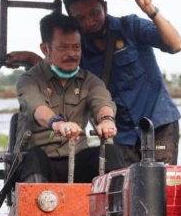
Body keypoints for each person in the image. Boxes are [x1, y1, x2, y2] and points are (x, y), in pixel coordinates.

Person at [7, 0, 181, 166]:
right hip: (121, 130)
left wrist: (150, 10)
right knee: (127, 185)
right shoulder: (77, 49)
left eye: (94, 13)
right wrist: (29, 57)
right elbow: (56, 66)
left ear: (105, 7)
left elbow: (176, 45)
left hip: (156, 122)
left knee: (161, 182)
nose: (90, 22)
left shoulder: (130, 27)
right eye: (80, 18)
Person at [14, 12, 124, 183]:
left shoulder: (90, 81)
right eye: (63, 48)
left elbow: (101, 100)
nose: (71, 54)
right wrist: (57, 124)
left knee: (111, 152)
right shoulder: (29, 80)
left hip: (76, 158)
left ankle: (115, 208)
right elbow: (36, 106)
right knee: (33, 158)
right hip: (41, 161)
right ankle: (40, 206)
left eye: (76, 47)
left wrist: (107, 120)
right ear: (45, 49)